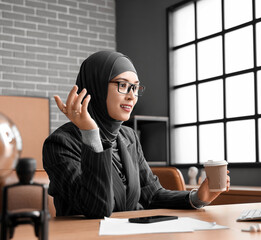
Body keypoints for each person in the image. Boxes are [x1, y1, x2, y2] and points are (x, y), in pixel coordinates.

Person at [42, 51, 230, 218]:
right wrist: (91, 134)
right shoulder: (60, 143)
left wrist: (198, 197)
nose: (132, 96)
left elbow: (152, 195)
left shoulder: (128, 136)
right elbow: (97, 208)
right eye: (123, 85)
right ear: (96, 87)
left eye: (135, 88)